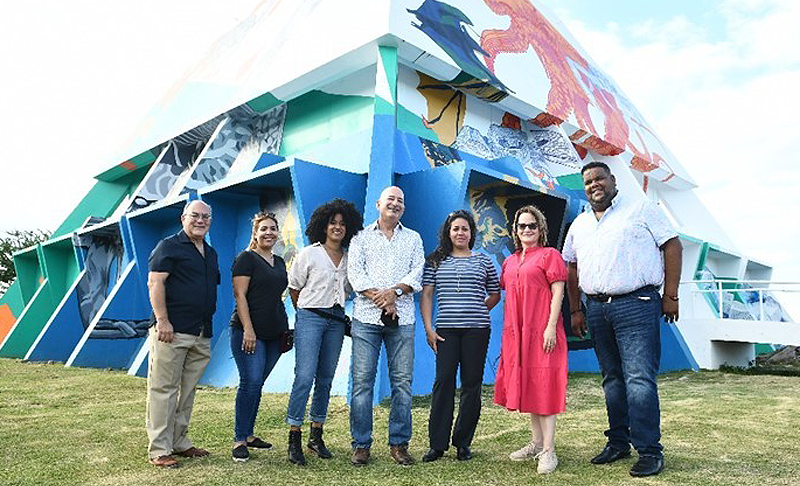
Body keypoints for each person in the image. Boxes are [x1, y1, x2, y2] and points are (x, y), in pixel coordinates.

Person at [563, 161, 682, 478]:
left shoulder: (641, 209)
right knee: (612, 379)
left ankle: (649, 451)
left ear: (612, 180)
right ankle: (618, 442)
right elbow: (571, 267)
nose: (593, 184)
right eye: (587, 181)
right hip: (597, 309)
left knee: (639, 379)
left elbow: (672, 245)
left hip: (637, 303)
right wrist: (576, 309)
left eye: (599, 178)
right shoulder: (580, 224)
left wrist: (670, 296)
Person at [347, 186, 425, 467]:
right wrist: (382, 298)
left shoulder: (414, 239)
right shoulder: (359, 238)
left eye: (400, 201)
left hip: (402, 319)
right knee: (362, 383)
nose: (395, 203)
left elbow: (418, 272)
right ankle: (361, 444)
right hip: (366, 319)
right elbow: (355, 274)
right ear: (379, 204)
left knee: (402, 384)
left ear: (403, 208)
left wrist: (396, 293)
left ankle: (399, 444)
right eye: (390, 199)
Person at [285, 199, 363, 466]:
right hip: (310, 317)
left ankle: (316, 435)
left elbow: (354, 289)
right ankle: (294, 436)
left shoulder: (351, 258)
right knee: (304, 376)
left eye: (342, 224)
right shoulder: (308, 253)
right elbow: (294, 288)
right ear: (323, 225)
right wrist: (305, 315)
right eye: (333, 223)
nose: (338, 227)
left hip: (337, 321)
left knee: (326, 378)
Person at [420, 210, 501, 463]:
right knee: (443, 382)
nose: (460, 233)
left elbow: (495, 293)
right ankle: (437, 444)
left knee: (471, 384)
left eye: (464, 229)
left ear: (471, 233)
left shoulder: (484, 261)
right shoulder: (435, 261)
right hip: (445, 332)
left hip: (477, 331)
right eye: (455, 228)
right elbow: (427, 295)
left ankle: (463, 442)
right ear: (448, 232)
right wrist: (429, 329)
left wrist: (477, 309)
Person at [146, 199, 220, 468]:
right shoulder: (169, 246)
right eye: (195, 216)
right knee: (163, 390)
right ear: (183, 218)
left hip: (201, 333)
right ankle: (159, 449)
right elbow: (155, 282)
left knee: (187, 391)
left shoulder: (210, 253)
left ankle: (180, 441)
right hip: (172, 332)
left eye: (205, 217)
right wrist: (162, 320)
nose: (200, 221)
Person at [494, 205, 567, 475]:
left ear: (541, 229)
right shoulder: (509, 262)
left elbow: (558, 294)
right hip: (516, 335)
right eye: (522, 226)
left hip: (543, 331)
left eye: (532, 226)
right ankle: (536, 443)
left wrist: (550, 327)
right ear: (515, 230)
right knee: (530, 386)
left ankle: (549, 450)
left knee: (545, 386)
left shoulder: (550, 256)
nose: (527, 230)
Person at [229, 212, 290, 462]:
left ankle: (250, 434)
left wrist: (286, 330)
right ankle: (239, 439)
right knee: (250, 382)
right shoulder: (246, 259)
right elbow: (240, 296)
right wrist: (249, 330)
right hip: (248, 333)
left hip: (275, 334)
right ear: (255, 233)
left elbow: (278, 296)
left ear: (278, 233)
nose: (268, 233)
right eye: (263, 229)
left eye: (273, 229)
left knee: (257, 384)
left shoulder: (280, 262)